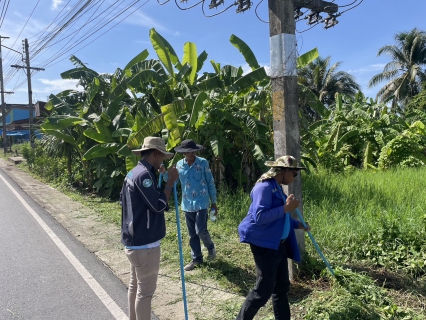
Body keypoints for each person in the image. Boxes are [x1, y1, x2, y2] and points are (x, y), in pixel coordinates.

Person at [236, 155, 310, 320]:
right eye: (294, 173)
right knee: (262, 291)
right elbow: (260, 217)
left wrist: (299, 225)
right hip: (264, 244)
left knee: (281, 287)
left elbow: (280, 218)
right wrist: (286, 207)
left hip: (278, 244)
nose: (295, 177)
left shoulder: (277, 187)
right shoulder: (263, 188)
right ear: (284, 171)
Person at [120, 136, 179, 320]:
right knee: (145, 293)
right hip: (145, 245)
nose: (162, 161)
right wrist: (170, 182)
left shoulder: (135, 172)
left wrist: (159, 177)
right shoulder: (144, 176)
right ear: (155, 153)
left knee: (135, 286)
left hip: (133, 241)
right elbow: (159, 205)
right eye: (162, 156)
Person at [161, 139, 218, 271]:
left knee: (200, 230)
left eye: (193, 151)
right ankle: (196, 258)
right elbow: (172, 181)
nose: (191, 154)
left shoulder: (203, 163)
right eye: (188, 152)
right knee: (192, 233)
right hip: (187, 203)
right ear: (183, 153)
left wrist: (213, 202)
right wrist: (164, 173)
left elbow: (210, 182)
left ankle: (210, 248)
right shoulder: (179, 165)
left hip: (202, 201)